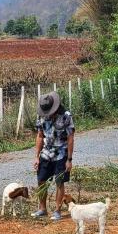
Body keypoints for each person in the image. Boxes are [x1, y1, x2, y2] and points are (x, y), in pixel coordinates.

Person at [32, 91, 75, 220]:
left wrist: (69, 159)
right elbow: (40, 136)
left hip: (61, 153)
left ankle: (57, 210)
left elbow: (70, 138)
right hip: (46, 152)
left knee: (59, 181)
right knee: (41, 180)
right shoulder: (41, 117)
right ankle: (42, 208)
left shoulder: (66, 116)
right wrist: (37, 156)